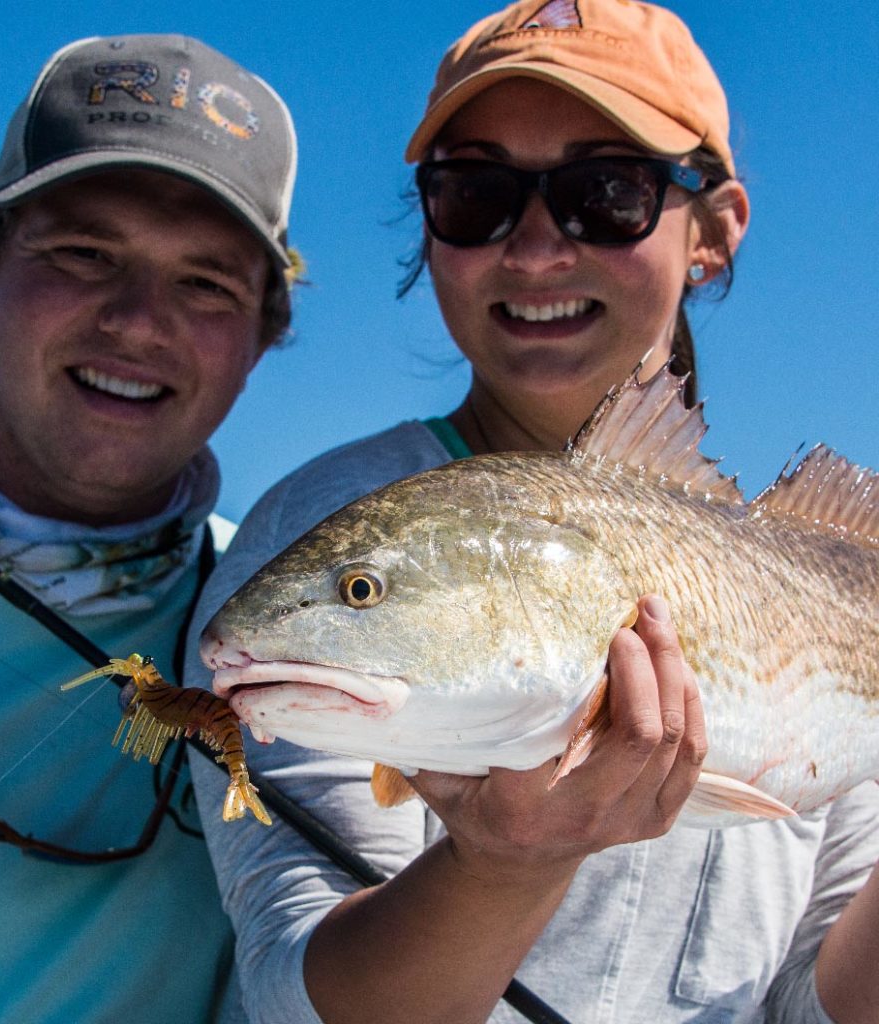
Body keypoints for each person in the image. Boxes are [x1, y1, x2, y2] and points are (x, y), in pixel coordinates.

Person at [183, 3, 879, 1023]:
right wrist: (504, 866)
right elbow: (298, 994)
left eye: (606, 193)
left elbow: (815, 1008)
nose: (538, 247)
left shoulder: (826, 585)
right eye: (476, 194)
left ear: (714, 230)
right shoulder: (313, 535)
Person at [0, 32, 298, 1024]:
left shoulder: (294, 626)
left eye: (206, 285)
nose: (138, 322)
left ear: (263, 335)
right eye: (85, 254)